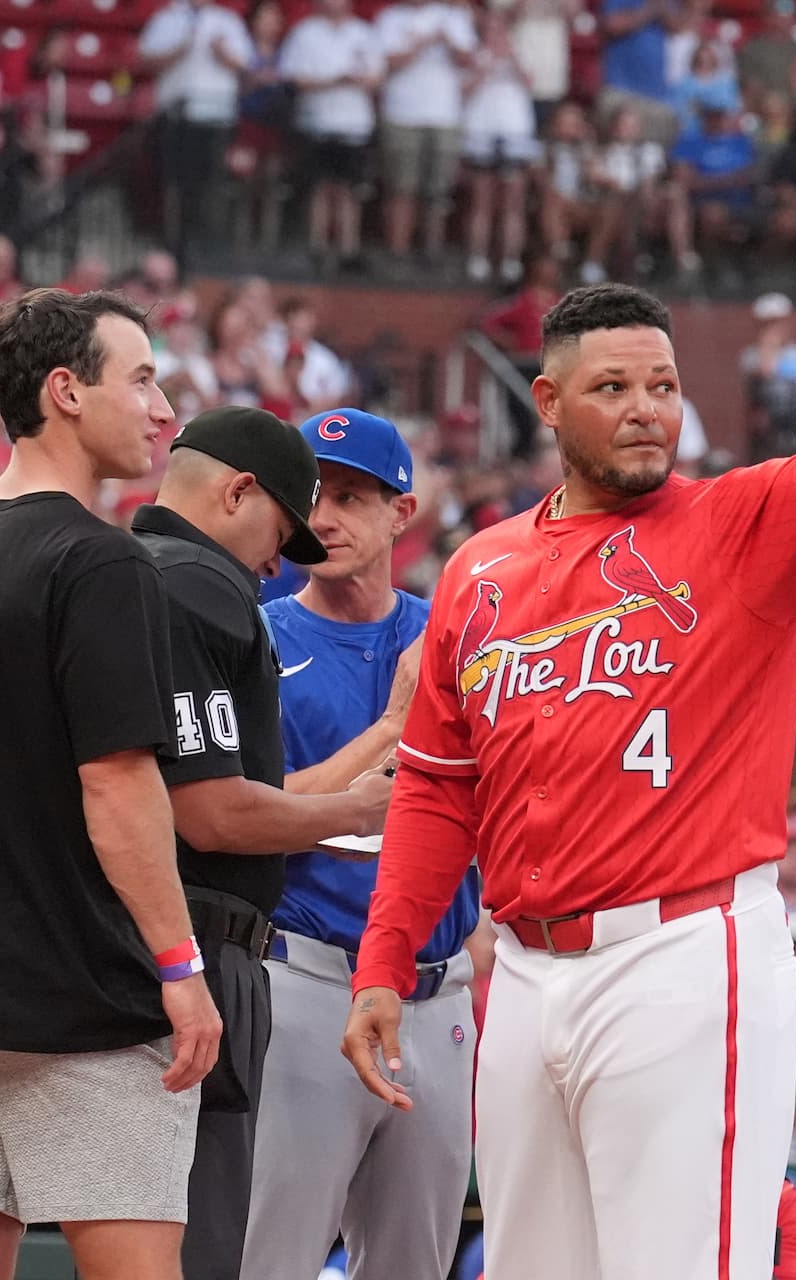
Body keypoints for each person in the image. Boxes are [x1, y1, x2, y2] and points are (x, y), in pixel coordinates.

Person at [342, 246, 796, 1279]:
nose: (646, 409)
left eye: (665, 386)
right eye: (614, 387)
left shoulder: (738, 523)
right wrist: (384, 963)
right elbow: (439, 791)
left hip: (680, 953)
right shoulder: (479, 569)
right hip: (528, 971)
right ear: (545, 400)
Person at [0, 289, 221, 1280]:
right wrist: (182, 966)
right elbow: (117, 788)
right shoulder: (102, 561)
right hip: (76, 994)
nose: (162, 409)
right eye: (141, 377)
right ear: (66, 390)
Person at [131, 405, 391, 1280]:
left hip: (139, 940)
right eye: (281, 528)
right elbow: (212, 813)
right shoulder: (201, 586)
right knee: (203, 1249)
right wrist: (355, 810)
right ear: (239, 491)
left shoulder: (117, 571)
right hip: (200, 943)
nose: (279, 561)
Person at [243, 408, 482, 1280]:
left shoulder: (456, 633)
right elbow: (242, 807)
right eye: (311, 496)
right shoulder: (260, 636)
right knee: (269, 1258)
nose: (326, 518)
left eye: (351, 496)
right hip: (311, 977)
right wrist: (390, 729)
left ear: (402, 514)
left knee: (416, 1265)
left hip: (438, 988)